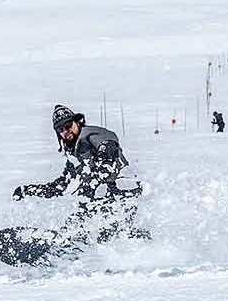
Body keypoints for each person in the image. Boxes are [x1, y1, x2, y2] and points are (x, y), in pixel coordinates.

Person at [13, 104, 147, 244]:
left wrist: (101, 165)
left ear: (77, 122)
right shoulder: (74, 155)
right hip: (104, 196)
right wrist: (31, 190)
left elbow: (109, 143)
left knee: (106, 232)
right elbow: (61, 185)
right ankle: (71, 248)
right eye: (60, 129)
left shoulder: (90, 134)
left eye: (68, 125)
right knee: (79, 222)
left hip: (123, 191)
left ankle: (139, 248)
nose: (66, 131)